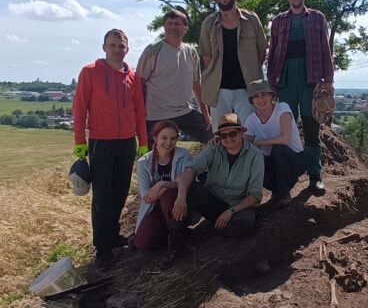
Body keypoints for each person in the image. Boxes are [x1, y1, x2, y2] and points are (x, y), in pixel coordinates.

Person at [73, 29, 148, 269]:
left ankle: (113, 234)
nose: (117, 49)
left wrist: (143, 141)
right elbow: (79, 107)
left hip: (127, 142)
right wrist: (79, 141)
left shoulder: (133, 77)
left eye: (121, 45)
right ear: (104, 47)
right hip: (100, 142)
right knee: (103, 197)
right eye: (113, 45)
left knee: (120, 192)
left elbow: (139, 111)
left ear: (127, 48)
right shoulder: (90, 72)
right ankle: (102, 248)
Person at [160, 113, 264, 269]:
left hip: (238, 205)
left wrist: (231, 211)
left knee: (244, 225)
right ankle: (175, 247)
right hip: (213, 201)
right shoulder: (214, 149)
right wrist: (180, 197)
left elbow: (255, 195)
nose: (228, 138)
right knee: (190, 189)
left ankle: (210, 230)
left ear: (241, 133)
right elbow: (190, 171)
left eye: (233, 133)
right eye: (224, 135)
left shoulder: (255, 155)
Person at [267, 0, 334, 194]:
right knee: (286, 129)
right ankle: (287, 179)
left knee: (312, 129)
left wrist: (328, 81)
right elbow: (273, 52)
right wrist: (271, 84)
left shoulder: (317, 18)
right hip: (285, 80)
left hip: (310, 79)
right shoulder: (278, 21)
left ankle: (315, 177)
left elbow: (326, 49)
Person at [199, 0, 267, 131]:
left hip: (247, 90)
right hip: (219, 91)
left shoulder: (252, 19)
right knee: (222, 136)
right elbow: (207, 58)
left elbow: (261, 53)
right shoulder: (208, 23)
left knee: (250, 135)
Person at [136, 9, 213, 148]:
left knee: (213, 137)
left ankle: (203, 168)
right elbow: (139, 83)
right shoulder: (153, 50)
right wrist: (140, 114)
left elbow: (196, 85)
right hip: (156, 114)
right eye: (169, 23)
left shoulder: (191, 52)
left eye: (177, 23)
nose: (173, 27)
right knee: (153, 155)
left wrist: (206, 114)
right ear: (164, 26)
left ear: (185, 27)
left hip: (184, 111)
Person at [244, 79, 306, 207]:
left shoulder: (282, 108)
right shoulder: (251, 119)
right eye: (256, 96)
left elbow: (285, 139)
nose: (260, 99)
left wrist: (260, 142)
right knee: (252, 158)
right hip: (272, 162)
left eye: (264, 94)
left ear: (272, 96)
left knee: (278, 148)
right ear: (252, 100)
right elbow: (245, 146)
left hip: (294, 160)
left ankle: (283, 193)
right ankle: (270, 191)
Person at [132, 120, 192, 250]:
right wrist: (170, 185)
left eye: (173, 139)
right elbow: (146, 196)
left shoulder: (183, 155)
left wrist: (162, 184)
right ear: (155, 138)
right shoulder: (144, 162)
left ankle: (177, 237)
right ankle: (164, 232)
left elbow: (187, 181)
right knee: (143, 243)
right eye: (164, 138)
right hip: (155, 207)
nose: (168, 143)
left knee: (169, 195)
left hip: (177, 203)